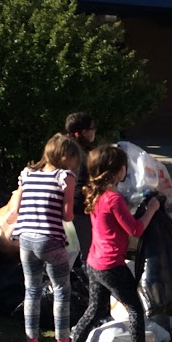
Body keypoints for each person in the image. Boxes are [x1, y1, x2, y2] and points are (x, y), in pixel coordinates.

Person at [59, 144, 169, 342]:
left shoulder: (95, 195)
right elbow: (135, 229)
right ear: (117, 171)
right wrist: (151, 209)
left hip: (94, 262)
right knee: (135, 309)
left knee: (93, 309)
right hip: (112, 265)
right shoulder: (114, 199)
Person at [11, 133, 82, 342]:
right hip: (50, 239)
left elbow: (17, 207)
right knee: (61, 289)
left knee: (31, 290)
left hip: (25, 238)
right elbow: (67, 215)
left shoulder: (27, 173)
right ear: (65, 156)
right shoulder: (65, 177)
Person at [65, 112, 98, 261]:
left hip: (62, 206)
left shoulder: (63, 149)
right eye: (93, 128)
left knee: (69, 252)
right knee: (86, 252)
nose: (95, 131)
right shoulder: (87, 154)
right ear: (84, 132)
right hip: (81, 207)